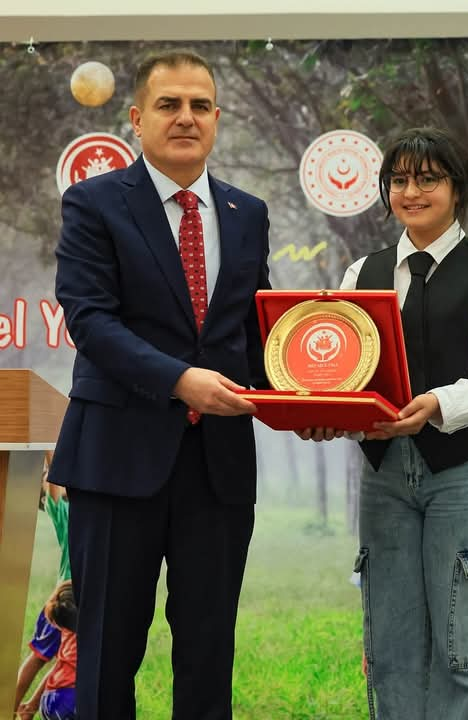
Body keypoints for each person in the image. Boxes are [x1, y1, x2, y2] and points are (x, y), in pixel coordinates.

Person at [49, 49, 271, 720]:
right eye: (169, 105)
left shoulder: (246, 211)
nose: (186, 118)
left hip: (219, 469)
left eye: (200, 105)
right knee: (108, 652)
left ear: (217, 119)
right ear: (138, 118)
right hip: (117, 460)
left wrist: (305, 399)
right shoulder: (93, 204)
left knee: (208, 654)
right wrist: (180, 381)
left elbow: (257, 331)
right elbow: (91, 320)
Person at [327, 126, 468, 719]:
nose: (412, 191)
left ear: (457, 189)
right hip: (386, 475)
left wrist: (437, 404)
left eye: (428, 178)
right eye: (400, 180)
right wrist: (330, 412)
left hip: (466, 472)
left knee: (463, 648)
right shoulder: (361, 272)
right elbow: (344, 370)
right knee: (388, 646)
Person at [13, 453, 71, 717]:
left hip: (80, 603)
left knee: (68, 660)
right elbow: (56, 476)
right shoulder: (64, 513)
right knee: (39, 657)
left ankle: (31, 707)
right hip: (64, 600)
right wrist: (50, 447)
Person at [16, 581, 79, 720]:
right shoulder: (92, 625)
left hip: (51, 697)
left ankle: (25, 709)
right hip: (71, 699)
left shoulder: (68, 628)